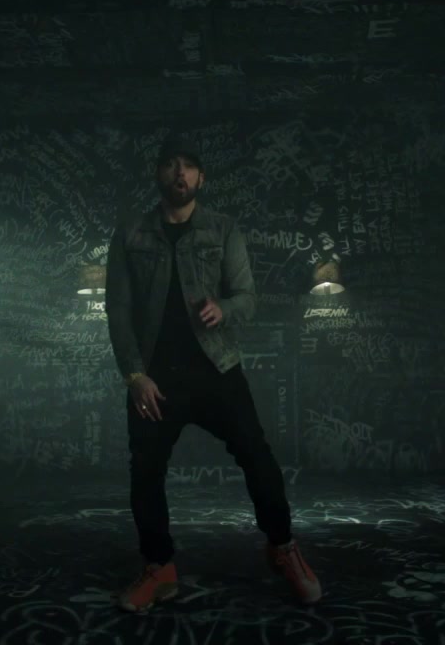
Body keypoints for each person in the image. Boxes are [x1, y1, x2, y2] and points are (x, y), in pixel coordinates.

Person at [104, 134, 321, 613]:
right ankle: (159, 568)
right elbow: (117, 310)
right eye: (170, 164)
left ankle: (283, 548)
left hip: (216, 369)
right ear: (158, 173)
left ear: (201, 177)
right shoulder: (131, 233)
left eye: (188, 166)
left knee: (257, 457)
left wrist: (224, 309)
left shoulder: (223, 229)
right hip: (155, 378)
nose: (179, 173)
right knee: (145, 472)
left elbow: (247, 298)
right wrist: (134, 376)